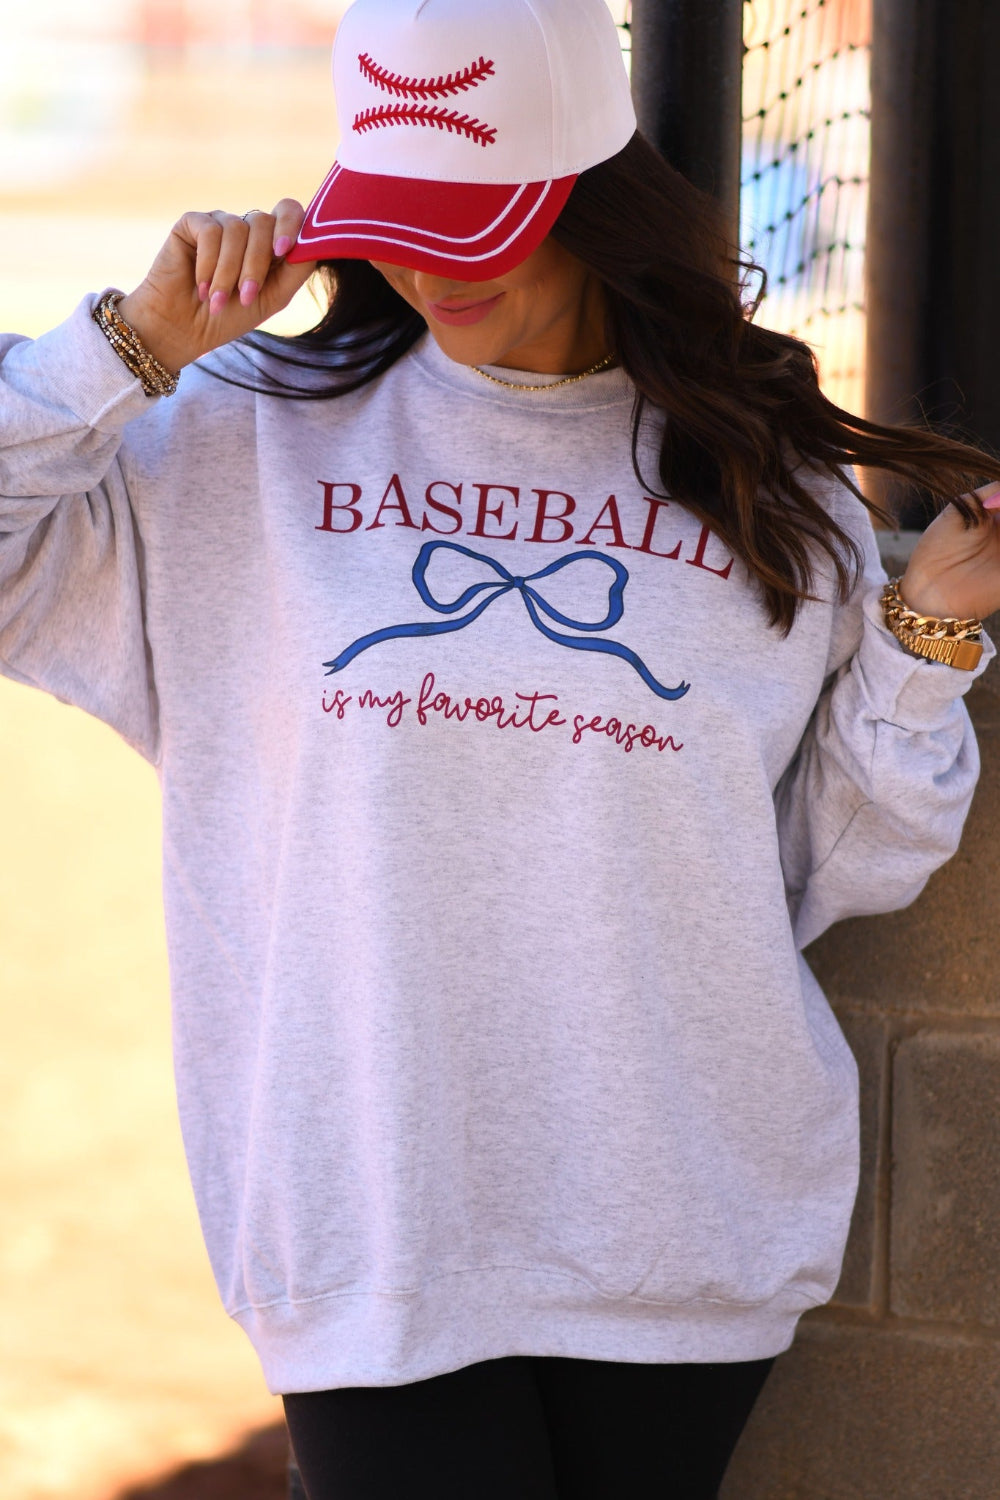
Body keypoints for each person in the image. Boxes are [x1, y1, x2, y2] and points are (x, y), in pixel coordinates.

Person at [4, 0, 1000, 1496]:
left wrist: (922, 640)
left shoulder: (762, 473)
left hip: (684, 1226)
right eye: (392, 220)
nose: (422, 267)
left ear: (591, 195)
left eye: (475, 225)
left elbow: (821, 870)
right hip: (371, 1226)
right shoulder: (236, 435)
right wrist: (130, 348)